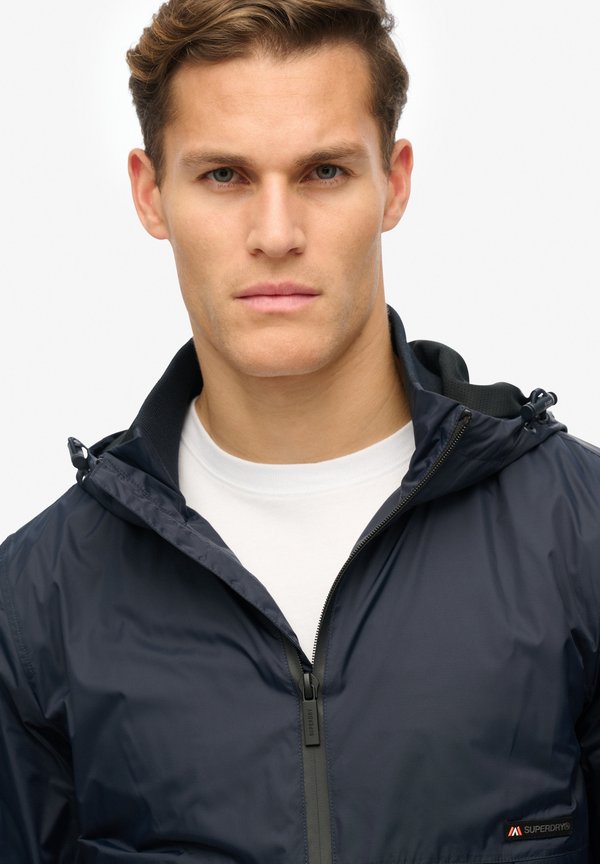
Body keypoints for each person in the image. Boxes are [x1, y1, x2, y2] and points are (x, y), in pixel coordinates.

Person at [0, 0, 598, 860]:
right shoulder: (36, 603)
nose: (276, 235)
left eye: (323, 172)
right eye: (224, 175)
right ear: (150, 192)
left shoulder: (579, 536)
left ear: (394, 182)